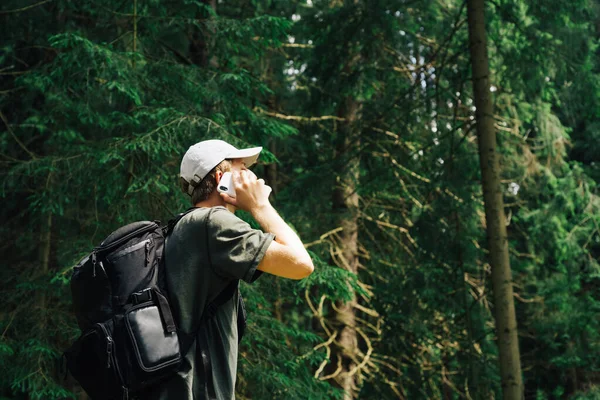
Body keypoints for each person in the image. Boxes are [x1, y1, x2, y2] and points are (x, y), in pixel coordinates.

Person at [148, 139, 314, 400]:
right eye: (242, 169)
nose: (250, 177)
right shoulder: (212, 222)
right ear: (220, 177)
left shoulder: (187, 226)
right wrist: (260, 206)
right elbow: (301, 264)